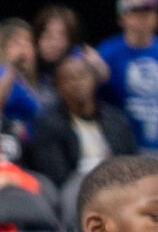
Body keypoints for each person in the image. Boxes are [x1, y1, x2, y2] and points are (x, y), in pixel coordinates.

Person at [96, 0, 158, 153]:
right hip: (122, 146)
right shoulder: (107, 52)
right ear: (121, 18)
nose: (143, 18)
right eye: (135, 11)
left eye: (149, 11)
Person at [25, 52, 136, 185]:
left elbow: (130, 162)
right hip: (74, 187)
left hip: (117, 183)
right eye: (69, 79)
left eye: (82, 76)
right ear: (58, 87)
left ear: (94, 80)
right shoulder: (47, 123)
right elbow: (56, 174)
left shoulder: (116, 118)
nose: (77, 83)